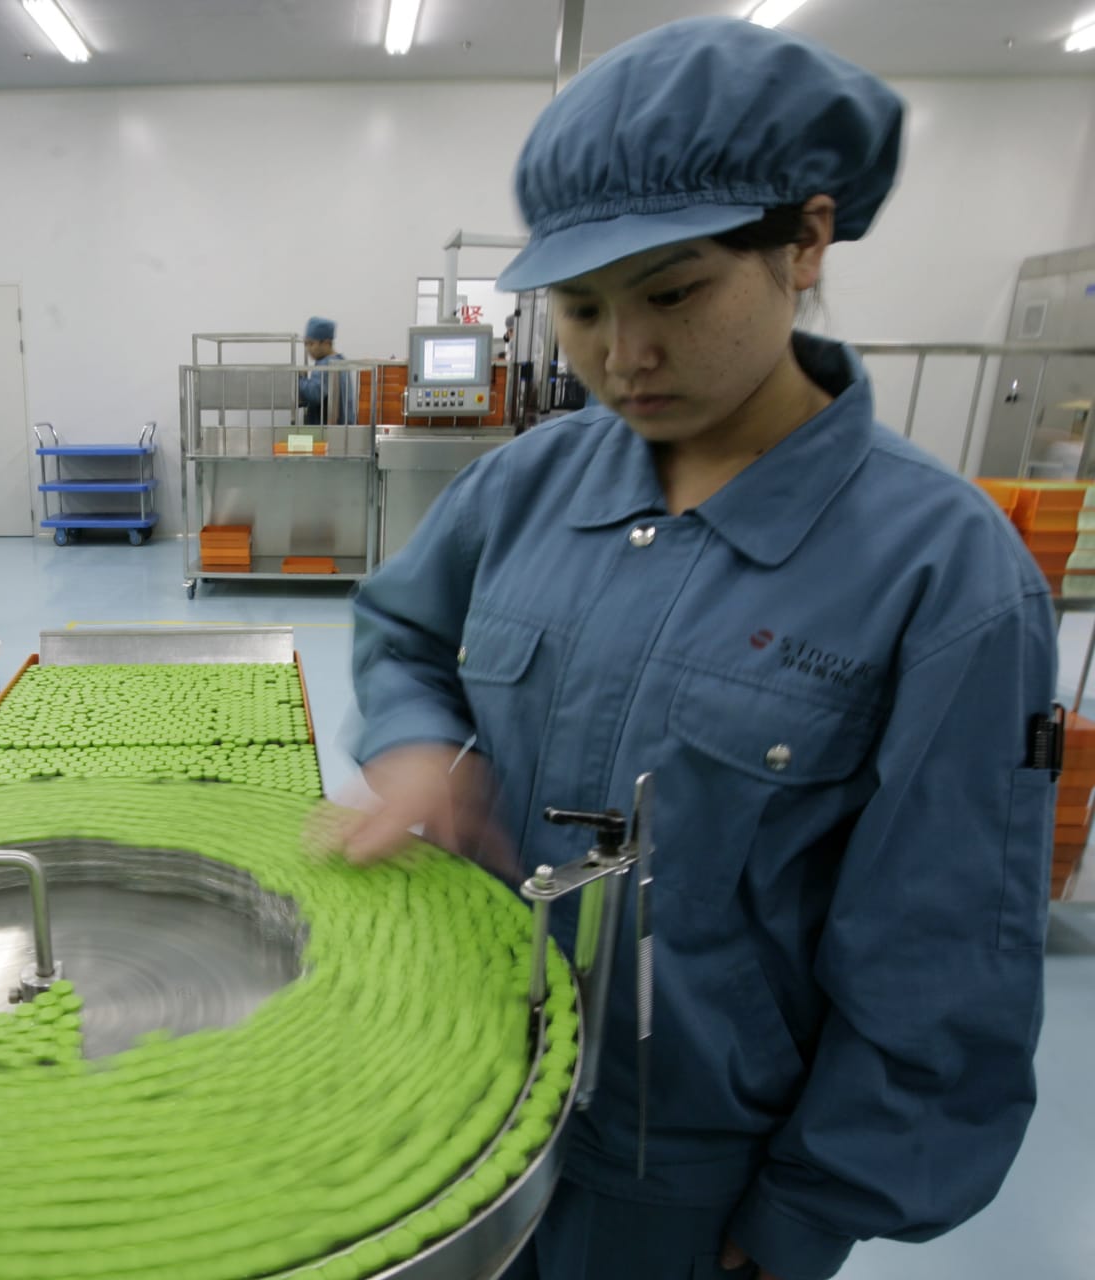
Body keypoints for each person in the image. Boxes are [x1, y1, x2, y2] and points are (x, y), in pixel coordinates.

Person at [332, 18, 1054, 1280]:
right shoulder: (530, 484)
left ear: (805, 242)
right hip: (456, 1098)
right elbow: (403, 629)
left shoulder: (945, 575)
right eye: (582, 306)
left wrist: (804, 1214)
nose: (624, 354)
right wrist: (414, 750)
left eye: (673, 292)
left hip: (691, 1178)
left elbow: (940, 954)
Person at [298, 316, 357, 427]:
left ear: (327, 343)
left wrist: (298, 379)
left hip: (328, 432)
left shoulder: (327, 364)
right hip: (343, 430)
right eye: (306, 344)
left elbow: (315, 393)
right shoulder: (340, 360)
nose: (308, 349)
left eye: (311, 344)